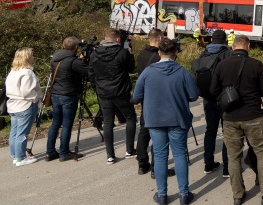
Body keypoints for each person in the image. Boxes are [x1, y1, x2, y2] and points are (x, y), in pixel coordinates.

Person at [211, 35, 263, 205]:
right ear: (248, 46)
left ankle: (238, 195)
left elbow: (213, 90)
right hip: (253, 116)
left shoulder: (222, 65)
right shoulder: (255, 64)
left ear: (233, 47)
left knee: (234, 157)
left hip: (230, 118)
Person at [133, 38, 198, 205]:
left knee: (160, 156)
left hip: (154, 119)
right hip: (177, 119)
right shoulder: (183, 72)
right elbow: (193, 95)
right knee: (179, 155)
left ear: (158, 52)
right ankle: (184, 194)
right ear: (176, 53)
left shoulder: (148, 72)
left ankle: (162, 195)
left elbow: (136, 96)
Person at [88, 28, 137, 164]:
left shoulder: (95, 53)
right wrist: (130, 52)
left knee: (108, 123)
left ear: (104, 38)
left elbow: (91, 73)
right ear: (117, 39)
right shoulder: (122, 52)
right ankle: (129, 150)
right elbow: (131, 68)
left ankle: (110, 155)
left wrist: (96, 88)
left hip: (103, 92)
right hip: (121, 91)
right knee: (130, 118)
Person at [135, 29, 173, 178]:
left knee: (144, 131)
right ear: (159, 38)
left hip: (145, 96)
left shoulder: (141, 54)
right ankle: (155, 168)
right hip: (159, 98)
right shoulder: (159, 57)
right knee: (158, 134)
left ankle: (142, 164)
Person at [192, 29, 230, 175]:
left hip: (208, 98)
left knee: (210, 130)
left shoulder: (204, 54)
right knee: (227, 131)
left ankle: (208, 163)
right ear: (225, 40)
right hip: (225, 98)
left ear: (212, 40)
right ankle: (227, 167)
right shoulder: (228, 54)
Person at [47, 36, 89, 162]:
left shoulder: (55, 58)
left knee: (55, 123)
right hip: (68, 94)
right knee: (66, 124)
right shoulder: (72, 61)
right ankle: (64, 152)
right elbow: (88, 71)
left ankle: (50, 152)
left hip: (56, 94)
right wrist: (85, 60)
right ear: (76, 47)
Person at [6, 47, 41, 166]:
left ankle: (15, 154)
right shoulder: (27, 72)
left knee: (14, 132)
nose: (33, 57)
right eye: (31, 55)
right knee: (22, 133)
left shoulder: (13, 71)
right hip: (25, 104)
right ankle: (20, 158)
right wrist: (36, 99)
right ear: (27, 58)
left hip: (13, 104)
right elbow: (27, 91)